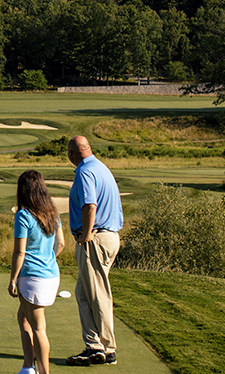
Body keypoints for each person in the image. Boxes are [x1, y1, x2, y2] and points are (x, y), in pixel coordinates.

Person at [65, 136, 124, 367]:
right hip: (108, 237)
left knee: (98, 294)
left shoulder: (84, 172)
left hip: (95, 238)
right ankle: (94, 346)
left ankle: (108, 349)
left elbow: (90, 205)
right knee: (83, 292)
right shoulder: (101, 167)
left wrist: (87, 234)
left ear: (71, 154)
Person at [9, 170, 65, 374]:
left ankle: (43, 372)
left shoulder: (23, 215)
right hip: (51, 274)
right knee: (23, 318)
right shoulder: (53, 213)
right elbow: (61, 244)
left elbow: (19, 251)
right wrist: (47, 260)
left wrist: (13, 279)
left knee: (39, 328)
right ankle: (27, 367)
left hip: (31, 276)